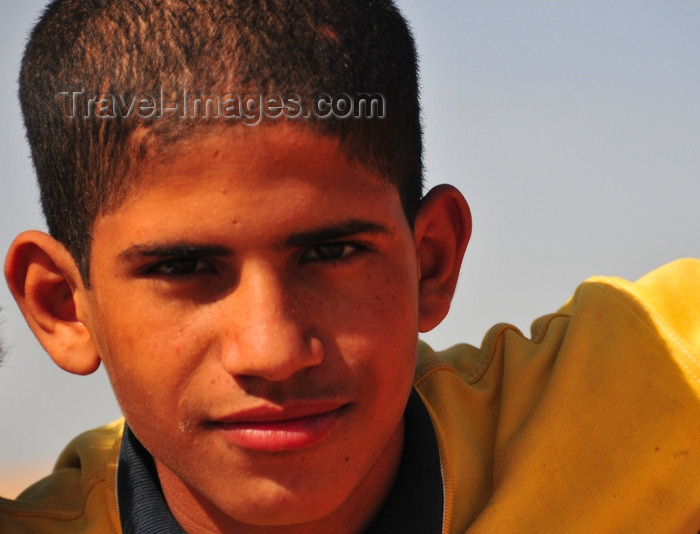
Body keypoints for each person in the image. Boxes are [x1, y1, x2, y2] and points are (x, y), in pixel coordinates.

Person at [1, 0, 698, 532]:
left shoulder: (662, 387)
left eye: (331, 253)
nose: (273, 351)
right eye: (184, 267)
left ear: (432, 261)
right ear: (64, 305)